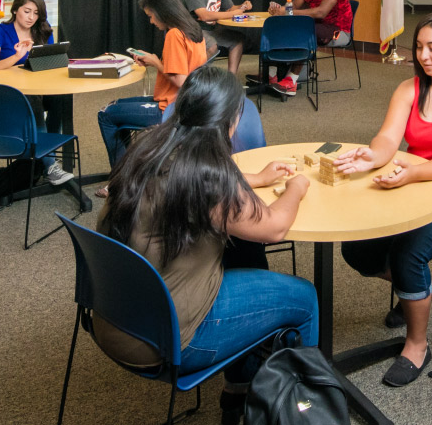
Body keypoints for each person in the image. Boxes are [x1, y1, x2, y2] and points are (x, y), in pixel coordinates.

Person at [93, 65, 318, 425]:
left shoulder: (148, 149)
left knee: (241, 251)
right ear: (230, 120)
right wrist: (297, 187)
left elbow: (194, 184)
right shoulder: (209, 177)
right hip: (167, 339)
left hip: (113, 316)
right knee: (304, 298)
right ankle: (298, 410)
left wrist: (257, 177)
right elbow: (274, 227)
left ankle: (240, 388)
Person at [334, 12, 432, 388]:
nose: (423, 55)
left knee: (409, 254)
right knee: (357, 248)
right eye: (419, 47)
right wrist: (372, 156)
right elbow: (388, 139)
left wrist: (410, 171)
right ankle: (414, 291)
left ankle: (416, 346)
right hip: (418, 188)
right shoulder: (409, 88)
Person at [97, 0, 208, 178]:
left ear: (163, 12)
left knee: (106, 114)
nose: (151, 21)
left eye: (151, 16)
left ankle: (120, 178)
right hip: (188, 104)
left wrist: (156, 62)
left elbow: (181, 80)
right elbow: (188, 73)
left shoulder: (174, 34)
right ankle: (126, 170)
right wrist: (156, 61)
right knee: (116, 106)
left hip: (170, 109)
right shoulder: (194, 30)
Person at [0, 0, 72, 184]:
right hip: (6, 92)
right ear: (15, 10)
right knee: (33, 101)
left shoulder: (43, 30)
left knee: (62, 97)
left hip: (38, 86)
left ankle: (44, 150)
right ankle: (49, 165)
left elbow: (50, 63)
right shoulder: (0, 31)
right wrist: (16, 56)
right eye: (27, 11)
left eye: (36, 13)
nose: (31, 17)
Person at [265, 0, 354, 95]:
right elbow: (293, 6)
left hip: (338, 31)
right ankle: (271, 75)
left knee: (304, 32)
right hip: (317, 26)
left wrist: (287, 12)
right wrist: (277, 10)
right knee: (282, 26)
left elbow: (321, 13)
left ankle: (291, 81)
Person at [181, 0, 254, 73]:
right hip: (192, 30)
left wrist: (242, 6)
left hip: (211, 29)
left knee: (238, 41)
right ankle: (195, 80)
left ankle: (230, 79)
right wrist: (234, 13)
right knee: (212, 46)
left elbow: (230, 8)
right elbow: (204, 16)